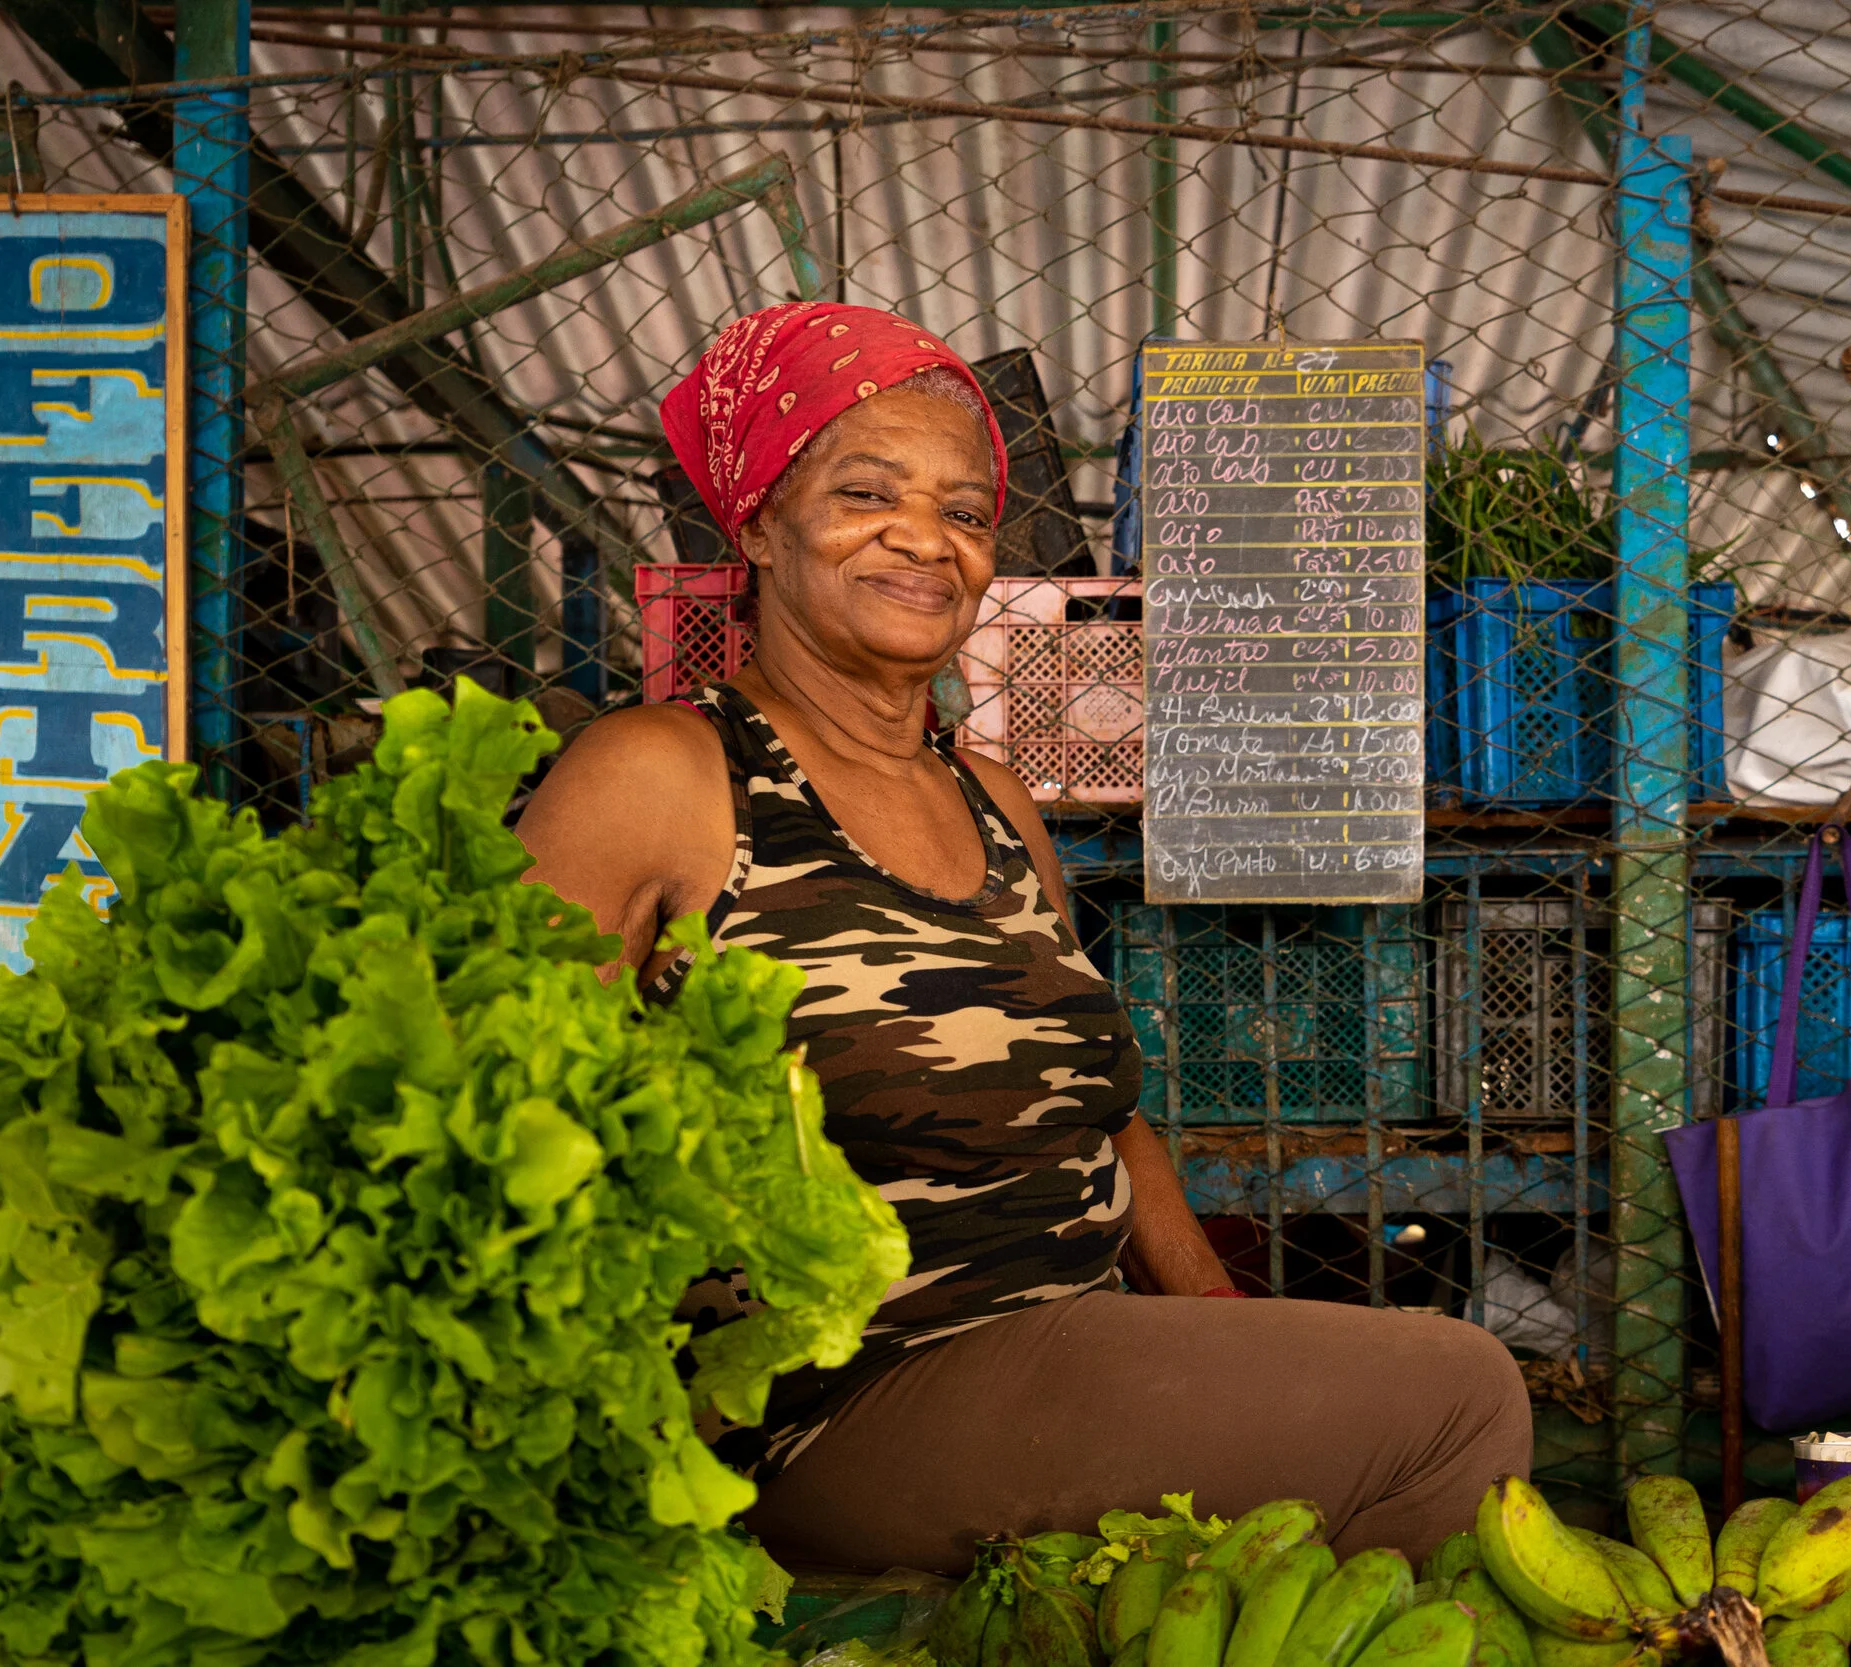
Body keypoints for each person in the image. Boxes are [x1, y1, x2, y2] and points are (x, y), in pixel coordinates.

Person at [514, 301, 1528, 1573]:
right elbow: (507, 1125)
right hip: (829, 1396)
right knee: (1454, 1395)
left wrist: (1220, 1320)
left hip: (1056, 1338)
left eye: (965, 512)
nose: (924, 540)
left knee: (1347, 1422)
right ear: (761, 523)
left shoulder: (989, 798)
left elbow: (1108, 1117)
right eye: (866, 493)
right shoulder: (659, 773)